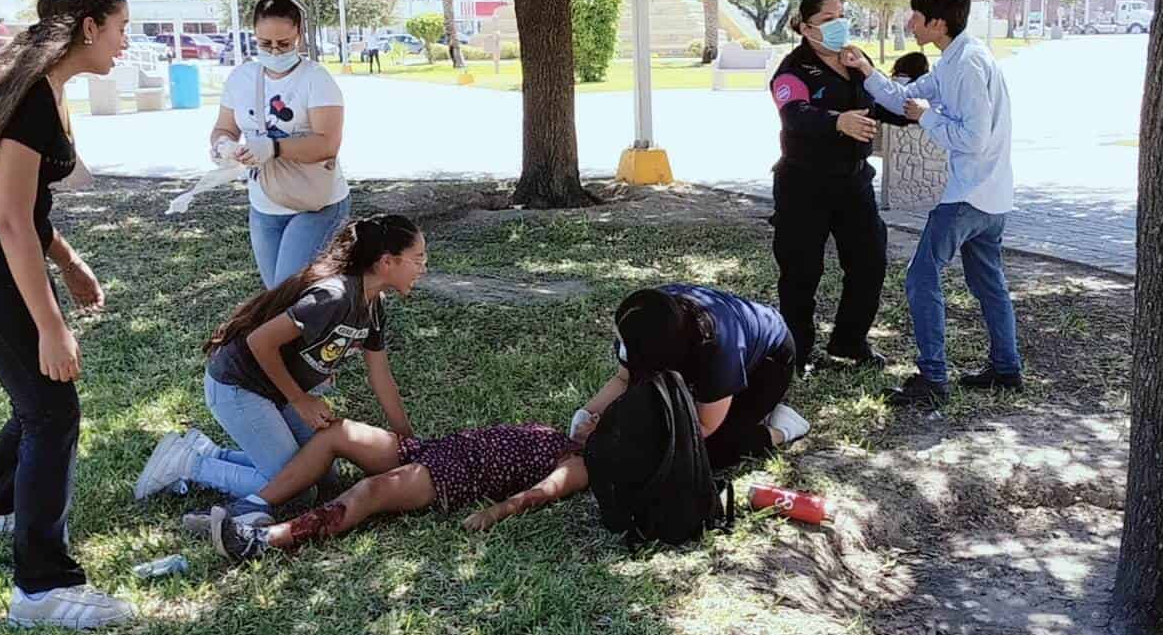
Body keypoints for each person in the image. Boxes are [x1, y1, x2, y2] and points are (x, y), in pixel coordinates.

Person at [0, 0, 134, 629]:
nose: (125, 43)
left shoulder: (37, 83)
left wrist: (69, 264)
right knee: (53, 408)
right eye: (121, 28)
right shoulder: (31, 95)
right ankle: (42, 587)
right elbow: (9, 219)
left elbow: (26, 204)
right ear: (88, 27)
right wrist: (50, 324)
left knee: (38, 398)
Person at [134, 215, 424, 510]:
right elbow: (259, 341)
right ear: (387, 262)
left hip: (276, 391)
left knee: (325, 474)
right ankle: (189, 464)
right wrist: (299, 400)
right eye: (418, 259)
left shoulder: (374, 304)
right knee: (298, 491)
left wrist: (410, 445)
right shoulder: (333, 297)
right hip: (238, 387)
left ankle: (211, 455)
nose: (423, 268)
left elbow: (381, 377)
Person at [849, 0, 1022, 407]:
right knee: (989, 283)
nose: (910, 22)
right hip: (993, 196)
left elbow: (973, 138)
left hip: (968, 195)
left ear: (937, 23)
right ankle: (1006, 368)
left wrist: (927, 119)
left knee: (921, 276)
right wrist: (866, 71)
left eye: (917, 16)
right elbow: (903, 97)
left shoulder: (965, 66)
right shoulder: (957, 58)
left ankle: (933, 378)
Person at [769, 0, 911, 374]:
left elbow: (887, 105)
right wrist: (837, 121)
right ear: (805, 27)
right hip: (804, 185)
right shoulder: (792, 70)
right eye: (828, 19)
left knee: (870, 262)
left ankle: (849, 342)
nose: (839, 25)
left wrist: (915, 109)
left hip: (854, 184)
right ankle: (794, 353)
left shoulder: (855, 61)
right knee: (801, 273)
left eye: (842, 16)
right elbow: (794, 114)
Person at [205, 418, 590, 560]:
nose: (593, 417)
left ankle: (261, 541)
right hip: (433, 447)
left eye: (601, 420)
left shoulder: (580, 465)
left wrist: (493, 513)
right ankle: (251, 505)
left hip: (456, 474)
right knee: (338, 432)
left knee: (370, 491)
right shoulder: (557, 435)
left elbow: (542, 492)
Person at [574, 285, 809, 472]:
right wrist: (586, 414)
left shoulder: (718, 350)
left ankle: (782, 429)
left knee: (701, 454)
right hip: (697, 352)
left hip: (769, 360)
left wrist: (619, 441)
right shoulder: (641, 316)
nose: (620, 346)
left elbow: (701, 428)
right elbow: (624, 380)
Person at [209, 0, 351, 289]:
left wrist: (273, 147)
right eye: (265, 43)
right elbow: (223, 128)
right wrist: (223, 146)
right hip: (264, 203)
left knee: (289, 295)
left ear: (299, 34)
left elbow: (328, 144)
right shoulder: (240, 78)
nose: (274, 51)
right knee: (275, 295)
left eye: (284, 44)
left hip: (317, 203)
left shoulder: (316, 80)